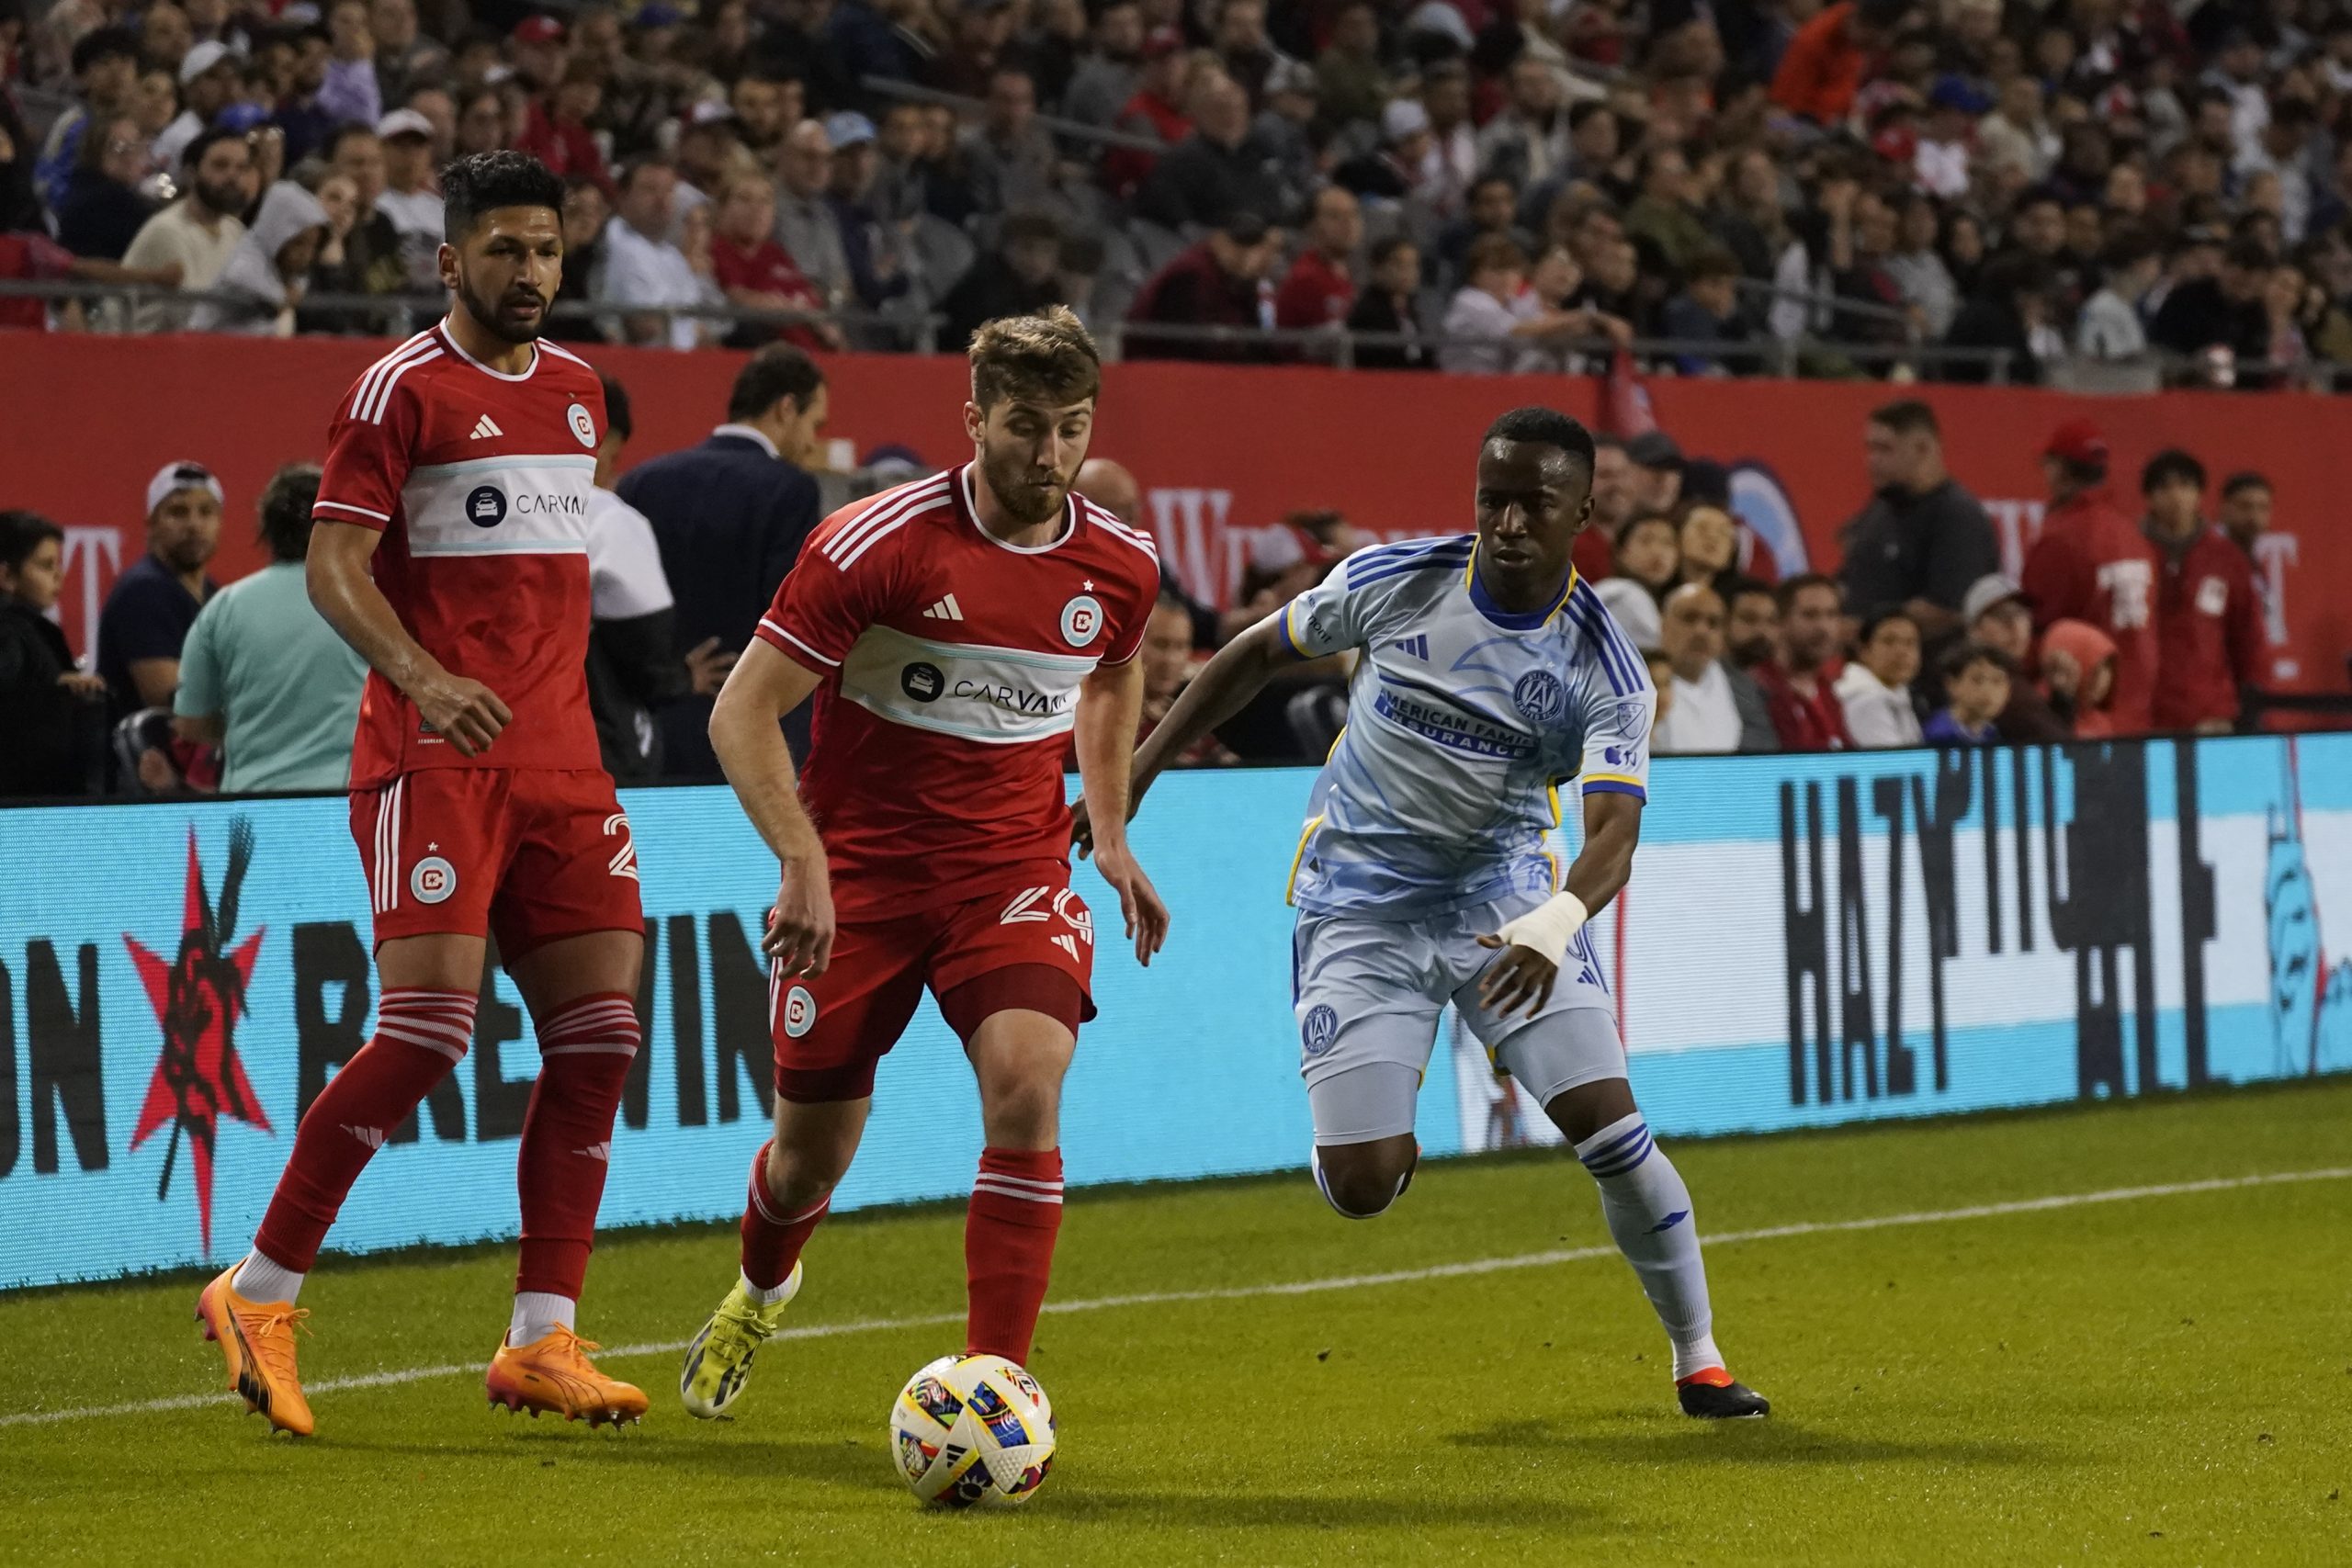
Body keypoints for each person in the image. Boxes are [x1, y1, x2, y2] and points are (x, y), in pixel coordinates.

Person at [1095, 407, 1769, 1421]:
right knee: (1361, 1184)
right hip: (1358, 903)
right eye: (1493, 499)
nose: (1508, 523)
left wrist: (1555, 920)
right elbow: (1253, 655)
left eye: (1534, 504)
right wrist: (1137, 774)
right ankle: (1375, 1138)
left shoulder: (1604, 665)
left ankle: (1699, 1358)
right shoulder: (1396, 579)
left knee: (1611, 1127)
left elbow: (1614, 835)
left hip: (1504, 903)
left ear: (1582, 513)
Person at [196, 152, 650, 1438]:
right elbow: (333, 567)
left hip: (563, 760)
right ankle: (258, 1290)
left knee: (600, 1040)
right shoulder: (399, 389)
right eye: (504, 249)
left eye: (546, 249)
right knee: (427, 1034)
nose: (530, 271)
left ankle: (541, 1336)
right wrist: (426, 678)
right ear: (451, 261)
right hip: (432, 754)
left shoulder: (577, 393)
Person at [675, 309, 1169, 1416]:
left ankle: (997, 1387)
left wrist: (1109, 826)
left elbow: (1111, 675)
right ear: (975, 420)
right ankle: (762, 1289)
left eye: (1071, 427)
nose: (1049, 454)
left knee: (1028, 1086)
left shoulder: (1121, 561)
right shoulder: (875, 545)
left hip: (1011, 875)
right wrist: (801, 861)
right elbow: (741, 712)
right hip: (861, 881)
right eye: (1025, 426)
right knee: (805, 1164)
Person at [615, 344, 829, 779]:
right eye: (815, 424)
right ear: (786, 408)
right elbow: (791, 618)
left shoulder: (641, 481)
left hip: (649, 730)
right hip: (749, 735)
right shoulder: (790, 490)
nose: (811, 443)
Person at [170, 464, 367, 791]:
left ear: (267, 528)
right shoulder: (372, 603)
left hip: (253, 802)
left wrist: (258, 726)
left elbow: (191, 725)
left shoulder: (223, 608)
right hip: (349, 802)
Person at [581, 374, 732, 784]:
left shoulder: (492, 505)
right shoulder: (608, 518)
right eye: (614, 456)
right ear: (599, 439)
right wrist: (679, 678)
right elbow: (645, 646)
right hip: (601, 744)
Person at [2020, 418, 2155, 734]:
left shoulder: (2061, 538)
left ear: (2059, 470)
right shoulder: (2132, 535)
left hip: (2082, 719)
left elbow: (2039, 635)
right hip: (2136, 715)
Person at [1836, 400, 1998, 638]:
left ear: (1923, 449)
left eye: (1885, 449)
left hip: (1928, 660)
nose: (1872, 460)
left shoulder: (1957, 516)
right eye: (1870, 449)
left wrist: (1863, 629)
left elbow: (1948, 610)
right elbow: (1852, 579)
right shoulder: (1881, 506)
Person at [2138, 448, 2261, 733]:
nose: (2176, 497)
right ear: (2149, 497)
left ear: (2199, 495)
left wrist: (2250, 710)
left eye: (2185, 486)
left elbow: (2248, 638)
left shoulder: (2225, 557)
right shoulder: (2131, 552)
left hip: (2210, 715)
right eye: (2164, 488)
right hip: (2147, 714)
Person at [99, 461, 223, 724]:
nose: (194, 524)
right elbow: (170, 697)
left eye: (206, 512)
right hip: (146, 750)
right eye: (178, 512)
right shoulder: (143, 592)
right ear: (151, 523)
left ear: (219, 521)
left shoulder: (214, 594)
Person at [0, 511, 107, 797]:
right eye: (46, 565)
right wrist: (55, 689)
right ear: (7, 576)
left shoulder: (33, 629)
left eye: (58, 563)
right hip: (22, 803)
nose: (59, 574)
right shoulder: (9, 632)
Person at [120, 126, 252, 333]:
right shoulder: (168, 231)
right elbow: (192, 315)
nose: (233, 177)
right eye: (220, 165)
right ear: (191, 174)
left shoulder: (234, 230)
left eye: (242, 168)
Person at [189, 179, 331, 334]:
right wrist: (283, 297)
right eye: (298, 243)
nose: (306, 254)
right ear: (277, 233)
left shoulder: (286, 271)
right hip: (208, 343)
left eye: (313, 246)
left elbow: (298, 283)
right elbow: (244, 278)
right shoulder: (246, 262)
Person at [595, 156, 704, 349]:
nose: (662, 200)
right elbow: (647, 327)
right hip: (635, 360)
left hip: (682, 359)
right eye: (650, 189)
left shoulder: (672, 255)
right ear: (623, 197)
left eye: (669, 190)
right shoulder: (613, 243)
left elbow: (698, 323)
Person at [1652, 582, 1759, 755]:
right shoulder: (1633, 684)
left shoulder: (1742, 689)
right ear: (1663, 625)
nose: (1701, 631)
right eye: (1689, 618)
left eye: (1713, 623)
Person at [1960, 573, 2070, 741]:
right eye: (2001, 615)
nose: (2015, 626)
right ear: (1974, 631)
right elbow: (2060, 745)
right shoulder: (1984, 687)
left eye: (2021, 613)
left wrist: (2061, 698)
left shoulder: (2018, 679)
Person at [1753, 574, 1849, 750]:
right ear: (1780, 622)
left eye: (1831, 614)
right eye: (1810, 615)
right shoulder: (1758, 688)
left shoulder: (1827, 691)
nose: (1823, 627)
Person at [1274, 184, 1362, 332]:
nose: (1348, 223)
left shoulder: (1348, 272)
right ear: (1311, 225)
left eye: (1353, 214)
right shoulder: (1305, 278)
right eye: (1334, 216)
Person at [1835, 609, 1924, 748]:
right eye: (1889, 641)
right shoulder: (1865, 700)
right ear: (1864, 651)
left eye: (1910, 643)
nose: (1901, 651)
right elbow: (1892, 760)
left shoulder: (1898, 694)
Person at [1596, 513, 1677, 648]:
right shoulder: (1622, 594)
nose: (1657, 552)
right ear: (1620, 552)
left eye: (1667, 543)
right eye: (1646, 541)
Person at [1923, 643, 2011, 743]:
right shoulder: (1939, 735)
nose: (1987, 690)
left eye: (1997, 680)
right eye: (1977, 680)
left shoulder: (1990, 731)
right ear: (1951, 684)